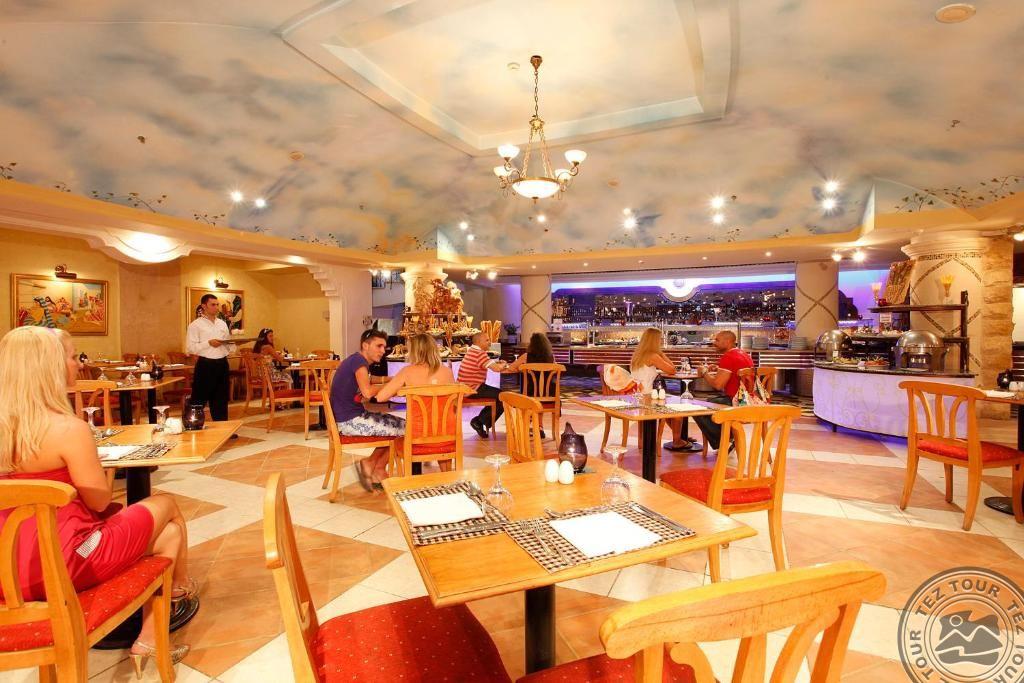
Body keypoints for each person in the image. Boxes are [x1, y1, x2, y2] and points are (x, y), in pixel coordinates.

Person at [0, 327, 193, 671]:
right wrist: (98, 466)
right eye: (72, 357)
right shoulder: (67, 430)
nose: (78, 364)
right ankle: (179, 590)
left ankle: (151, 635)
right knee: (165, 503)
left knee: (169, 535)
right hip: (68, 562)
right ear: (49, 367)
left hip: (9, 571)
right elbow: (99, 503)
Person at [330, 329, 406, 491]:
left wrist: (392, 379)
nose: (383, 351)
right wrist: (393, 385)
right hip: (349, 422)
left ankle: (376, 466)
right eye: (379, 346)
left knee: (400, 424)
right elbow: (367, 392)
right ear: (365, 345)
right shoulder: (359, 362)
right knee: (405, 428)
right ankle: (373, 465)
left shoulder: (356, 360)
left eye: (384, 347)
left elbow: (370, 379)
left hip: (350, 417)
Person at [375, 334, 457, 473]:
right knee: (439, 426)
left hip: (417, 437)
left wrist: (399, 390)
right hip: (447, 436)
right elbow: (453, 404)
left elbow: (380, 398)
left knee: (397, 436)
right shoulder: (447, 372)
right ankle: (448, 477)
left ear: (414, 351)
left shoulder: (407, 372)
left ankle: (412, 478)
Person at [629, 328, 694, 452]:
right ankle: (677, 441)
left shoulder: (636, 355)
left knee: (669, 408)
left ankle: (679, 436)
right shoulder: (653, 356)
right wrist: (661, 354)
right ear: (654, 341)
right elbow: (672, 369)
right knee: (679, 411)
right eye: (659, 339)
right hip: (648, 397)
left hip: (637, 396)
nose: (661, 341)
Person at [693, 330, 754, 451]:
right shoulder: (743, 354)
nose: (714, 343)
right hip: (748, 400)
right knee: (709, 402)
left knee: (697, 408)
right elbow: (734, 372)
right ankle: (729, 437)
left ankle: (724, 441)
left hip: (735, 401)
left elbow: (718, 385)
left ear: (728, 341)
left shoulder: (728, 357)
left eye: (717, 340)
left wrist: (704, 372)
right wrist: (719, 369)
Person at [186, 294, 234, 421]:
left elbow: (227, 343)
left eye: (217, 304)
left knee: (221, 399)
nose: (216, 307)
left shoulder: (222, 324)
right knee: (199, 399)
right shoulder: (195, 325)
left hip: (222, 363)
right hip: (205, 365)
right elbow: (191, 348)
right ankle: (194, 425)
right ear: (204, 306)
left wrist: (233, 345)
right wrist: (208, 343)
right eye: (213, 305)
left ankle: (222, 427)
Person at [457, 331, 507, 438]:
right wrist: (504, 364)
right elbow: (497, 369)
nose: (490, 343)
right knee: (503, 397)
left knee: (499, 395)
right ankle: (479, 421)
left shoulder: (471, 350)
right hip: (473, 389)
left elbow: (485, 363)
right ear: (479, 342)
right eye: (487, 340)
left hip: (465, 387)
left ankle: (480, 421)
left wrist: (495, 364)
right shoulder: (480, 354)